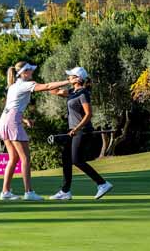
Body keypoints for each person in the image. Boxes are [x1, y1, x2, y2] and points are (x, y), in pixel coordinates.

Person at [0, 61, 75, 201]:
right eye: (30, 70)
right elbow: (47, 86)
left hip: (4, 120)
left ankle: (5, 192)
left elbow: (12, 107)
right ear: (24, 72)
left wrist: (24, 119)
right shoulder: (25, 84)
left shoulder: (13, 86)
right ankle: (29, 192)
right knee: (25, 158)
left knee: (13, 158)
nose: (32, 72)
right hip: (12, 121)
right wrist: (68, 81)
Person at [48, 66, 113, 200]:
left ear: (78, 79)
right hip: (73, 131)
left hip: (82, 131)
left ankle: (102, 183)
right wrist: (67, 82)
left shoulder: (83, 93)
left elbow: (89, 114)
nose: (69, 77)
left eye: (71, 75)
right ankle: (65, 191)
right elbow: (52, 90)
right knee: (66, 159)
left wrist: (77, 128)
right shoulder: (72, 92)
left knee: (76, 160)